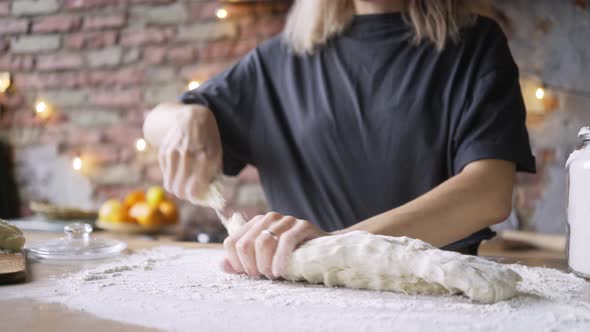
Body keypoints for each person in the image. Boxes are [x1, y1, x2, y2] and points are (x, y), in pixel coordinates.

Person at [143, 0, 536, 280]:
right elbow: (155, 124)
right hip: (305, 301)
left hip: (439, 294)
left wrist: (337, 246)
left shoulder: (476, 44)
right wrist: (188, 115)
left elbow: (489, 192)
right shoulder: (278, 60)